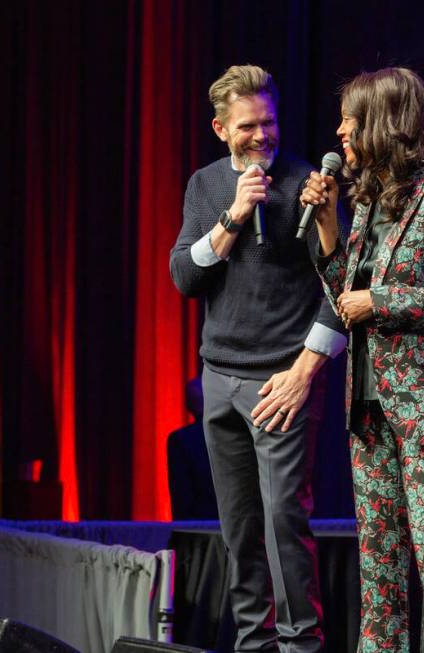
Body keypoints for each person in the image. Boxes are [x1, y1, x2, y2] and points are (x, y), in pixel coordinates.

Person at [302, 67, 424, 653]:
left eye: (350, 122)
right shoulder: (368, 201)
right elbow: (344, 299)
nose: (339, 133)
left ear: (382, 124)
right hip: (370, 404)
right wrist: (330, 227)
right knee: (378, 564)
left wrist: (381, 301)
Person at [169, 65, 346, 653]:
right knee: (239, 529)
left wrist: (304, 372)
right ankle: (254, 644)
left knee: (282, 525)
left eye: (268, 122)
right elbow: (184, 278)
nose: (261, 136)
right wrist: (233, 217)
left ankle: (301, 645)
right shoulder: (206, 186)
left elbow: (340, 286)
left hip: (281, 381)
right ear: (221, 129)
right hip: (218, 377)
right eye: (247, 126)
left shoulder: (305, 181)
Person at [166, 377, 218, 521]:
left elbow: (181, 495)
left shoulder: (180, 439)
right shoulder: (240, 434)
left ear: (188, 405)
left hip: (195, 528)